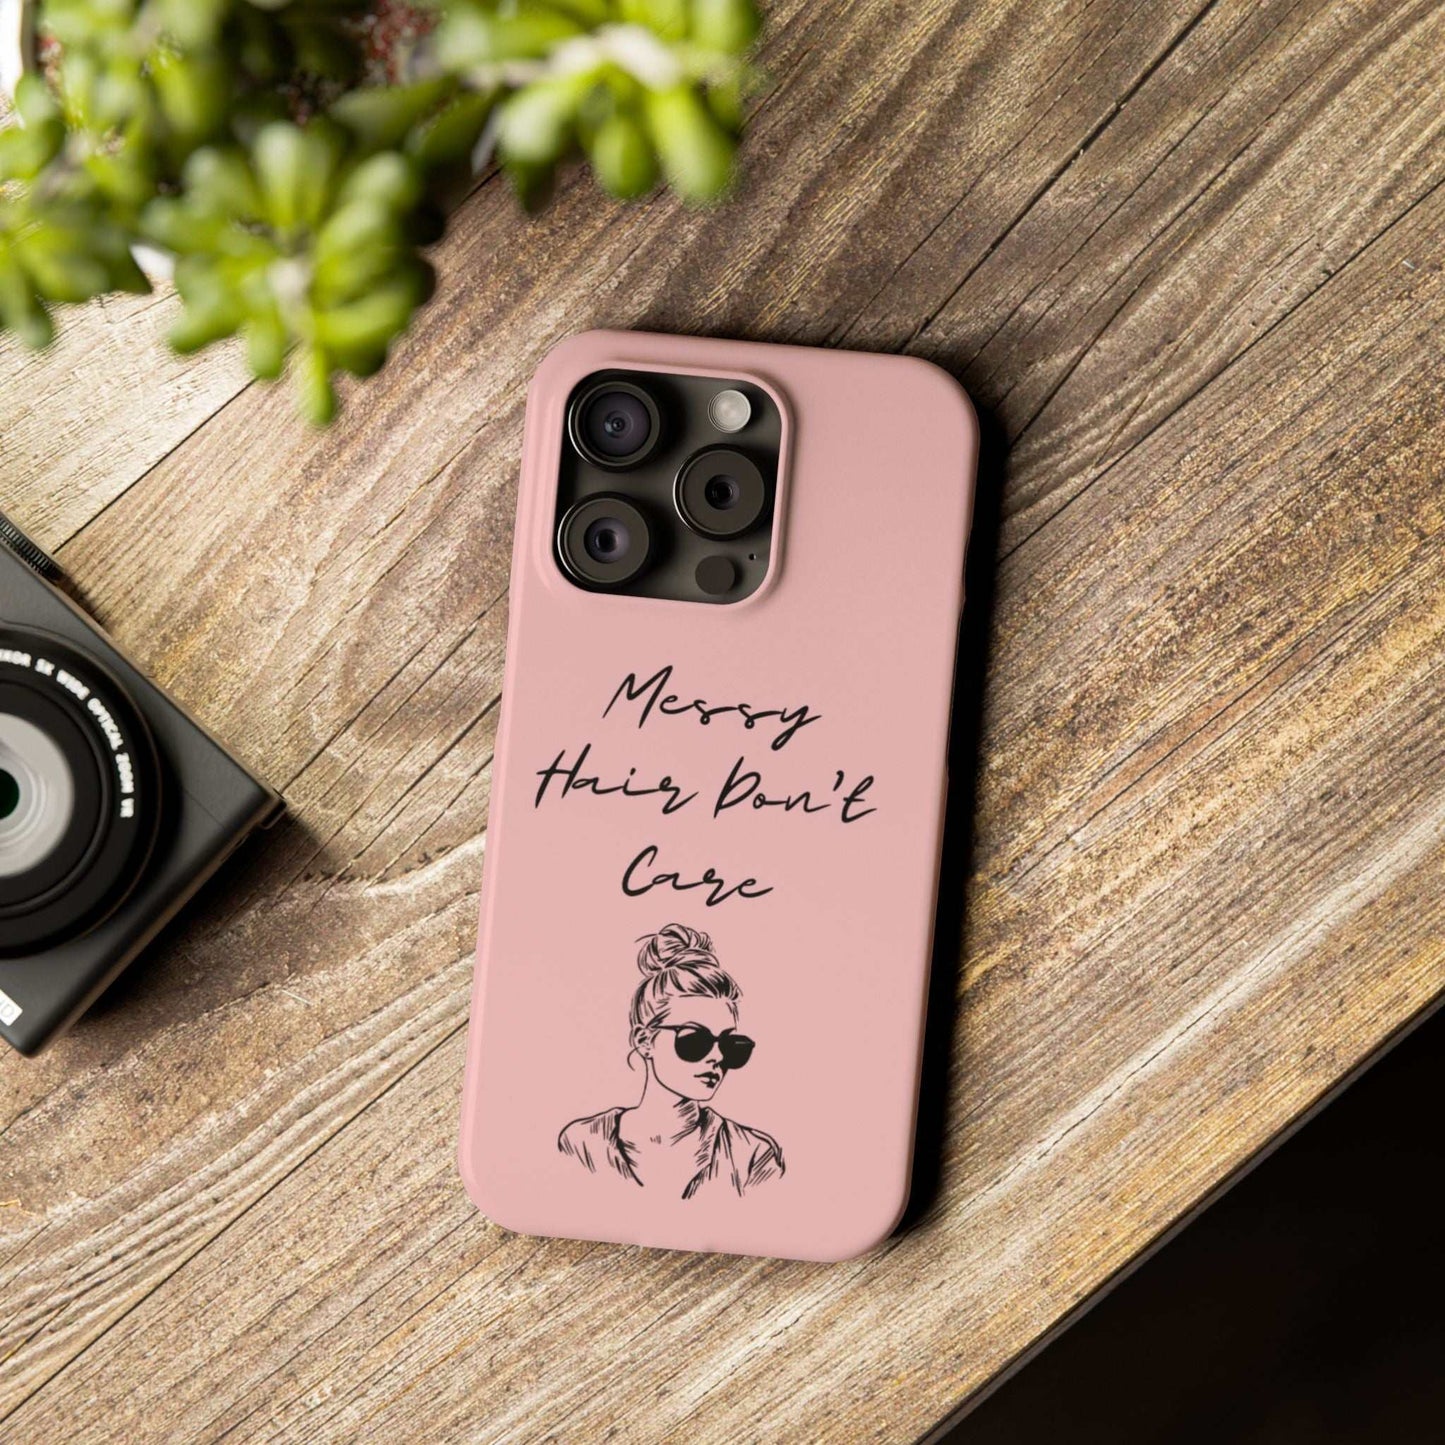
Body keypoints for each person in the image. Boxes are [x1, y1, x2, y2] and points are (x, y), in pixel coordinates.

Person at [558, 923, 784, 1199]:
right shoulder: (582, 1143)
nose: (717, 1057)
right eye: (694, 1040)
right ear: (644, 1041)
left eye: (729, 1044)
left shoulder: (752, 1154)